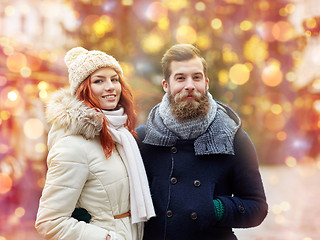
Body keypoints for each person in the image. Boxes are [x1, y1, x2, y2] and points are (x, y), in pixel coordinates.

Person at [135, 44, 268, 240]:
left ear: (206, 83)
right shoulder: (143, 139)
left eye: (196, 77)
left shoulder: (233, 137)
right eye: (180, 78)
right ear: (166, 85)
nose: (190, 85)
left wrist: (216, 208)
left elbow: (257, 207)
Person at [35, 47, 155, 240]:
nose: (110, 87)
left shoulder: (120, 136)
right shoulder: (72, 147)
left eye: (114, 79)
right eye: (99, 81)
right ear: (83, 89)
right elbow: (50, 222)